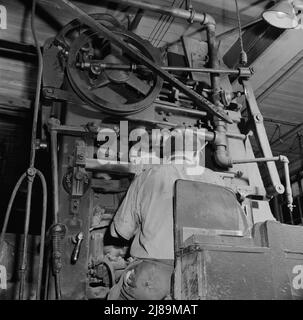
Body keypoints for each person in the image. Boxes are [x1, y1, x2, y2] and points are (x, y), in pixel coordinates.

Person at [107, 128, 224, 300]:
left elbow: (119, 231)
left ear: (167, 154)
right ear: (196, 154)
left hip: (153, 278)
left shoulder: (147, 176)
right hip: (204, 272)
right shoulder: (217, 180)